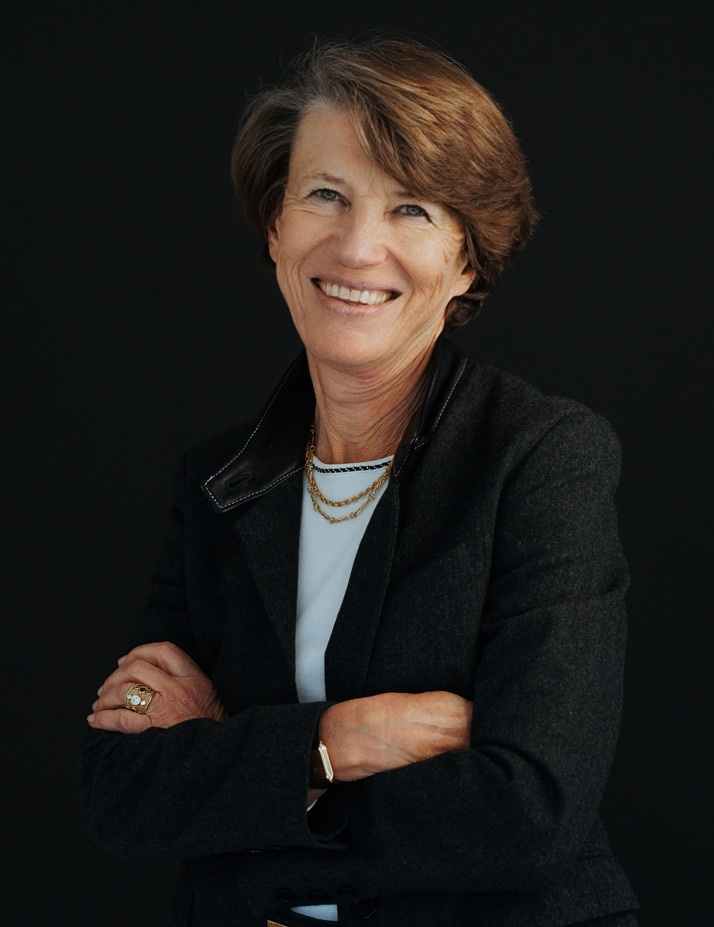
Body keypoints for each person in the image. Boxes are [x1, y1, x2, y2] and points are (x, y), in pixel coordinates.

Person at [80, 35, 640, 927]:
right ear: (276, 228)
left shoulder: (541, 457)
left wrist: (236, 771)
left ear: (466, 261)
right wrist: (338, 742)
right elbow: (123, 790)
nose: (357, 245)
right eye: (325, 195)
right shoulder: (219, 482)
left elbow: (529, 812)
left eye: (411, 209)